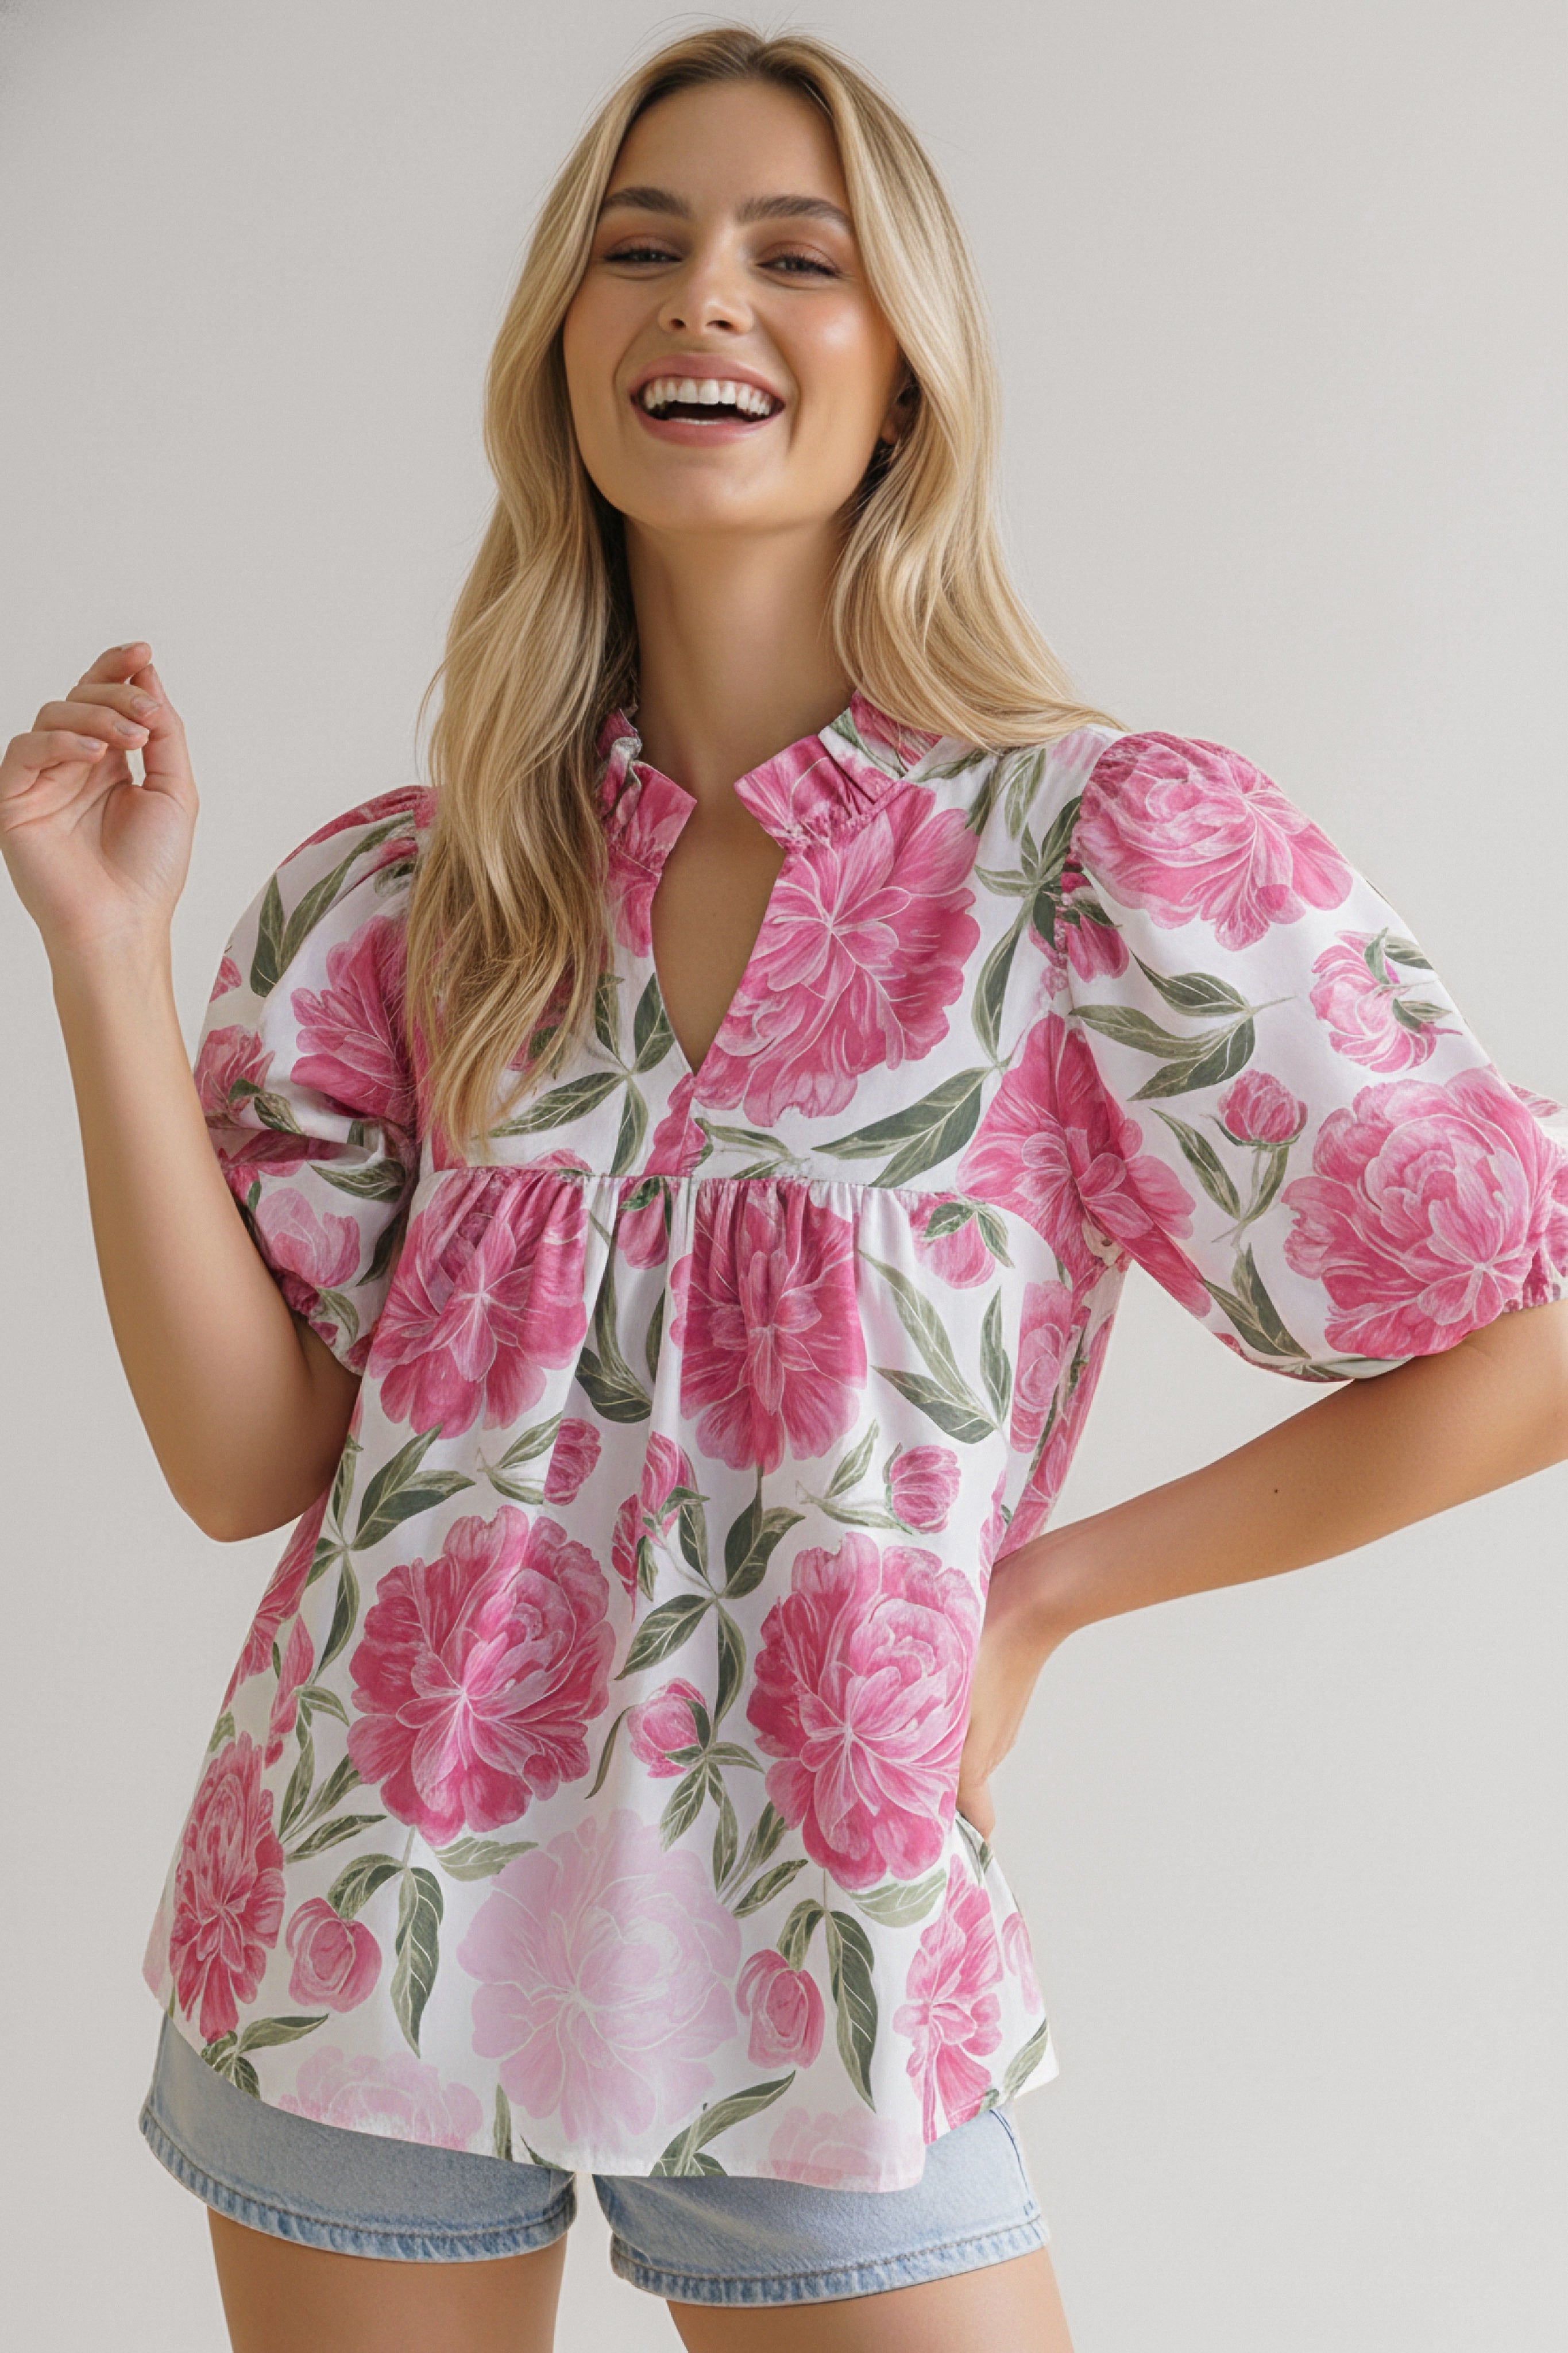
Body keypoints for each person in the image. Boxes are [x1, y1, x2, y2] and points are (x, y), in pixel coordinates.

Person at [4, 24, 1565, 2353]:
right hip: (359, 1922)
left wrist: (1037, 1601)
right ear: (560, 357)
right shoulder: (412, 897)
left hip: (825, 1957)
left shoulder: (1093, 861)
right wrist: (104, 955)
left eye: (790, 254)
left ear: (902, 366)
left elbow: (1519, 1326)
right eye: (637, 248)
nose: (701, 298)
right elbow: (248, 1466)